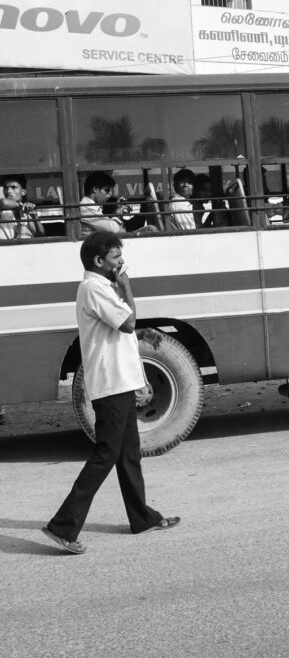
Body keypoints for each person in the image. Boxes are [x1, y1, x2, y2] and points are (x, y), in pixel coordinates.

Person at [42, 231, 179, 554]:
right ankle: (62, 526)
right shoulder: (94, 287)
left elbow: (122, 334)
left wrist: (140, 362)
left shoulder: (101, 287)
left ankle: (142, 517)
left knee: (128, 453)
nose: (122, 263)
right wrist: (127, 285)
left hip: (120, 383)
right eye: (117, 258)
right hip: (110, 386)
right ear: (98, 261)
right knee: (106, 454)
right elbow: (127, 323)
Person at [79, 172, 125, 238]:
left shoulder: (93, 206)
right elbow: (113, 229)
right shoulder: (86, 207)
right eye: (106, 191)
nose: (109, 195)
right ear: (95, 189)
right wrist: (117, 215)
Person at [0, 174, 45, 240]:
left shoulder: (28, 211)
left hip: (26, 248)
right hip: (5, 247)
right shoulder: (2, 208)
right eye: (5, 188)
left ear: (23, 192)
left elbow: (42, 236)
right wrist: (21, 205)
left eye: (13, 187)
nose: (8, 191)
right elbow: (3, 202)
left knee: (23, 228)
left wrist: (34, 215)